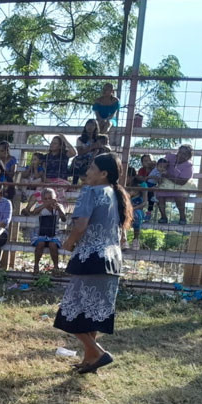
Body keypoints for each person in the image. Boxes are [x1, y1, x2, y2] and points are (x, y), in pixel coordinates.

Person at [54, 153, 131, 374]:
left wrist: (68, 243)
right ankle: (89, 361)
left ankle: (98, 353)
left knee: (70, 313)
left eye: (91, 168)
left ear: (103, 173)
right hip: (112, 260)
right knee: (92, 314)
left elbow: (80, 226)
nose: (87, 172)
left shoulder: (90, 192)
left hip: (91, 258)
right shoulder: (117, 195)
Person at [155, 144, 194, 224]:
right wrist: (161, 171)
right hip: (166, 182)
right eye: (180, 152)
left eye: (185, 154)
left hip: (181, 184)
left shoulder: (188, 166)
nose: (181, 155)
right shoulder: (170, 157)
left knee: (179, 195)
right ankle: (163, 217)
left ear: (189, 156)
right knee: (159, 194)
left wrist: (168, 175)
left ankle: (182, 218)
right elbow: (161, 164)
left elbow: (182, 182)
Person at [30, 188, 66, 273]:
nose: (48, 200)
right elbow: (34, 212)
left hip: (54, 233)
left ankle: (56, 267)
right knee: (40, 243)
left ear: (55, 198)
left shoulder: (59, 206)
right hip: (40, 232)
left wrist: (58, 209)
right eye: (45, 199)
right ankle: (36, 265)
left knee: (52, 245)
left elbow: (64, 219)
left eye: (50, 198)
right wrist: (45, 205)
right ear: (42, 199)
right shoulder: (40, 206)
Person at [72, 119, 107, 184]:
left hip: (97, 157)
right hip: (84, 159)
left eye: (92, 125)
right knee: (76, 160)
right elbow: (80, 152)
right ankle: (74, 183)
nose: (89, 127)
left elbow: (107, 149)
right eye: (88, 124)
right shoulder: (81, 139)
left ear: (96, 127)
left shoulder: (102, 138)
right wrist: (93, 146)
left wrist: (98, 149)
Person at [44, 135, 77, 199]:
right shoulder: (46, 157)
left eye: (55, 143)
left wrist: (64, 139)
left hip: (61, 182)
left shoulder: (64, 155)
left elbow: (74, 153)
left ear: (60, 146)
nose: (52, 144)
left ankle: (59, 204)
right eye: (51, 143)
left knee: (58, 190)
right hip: (49, 181)